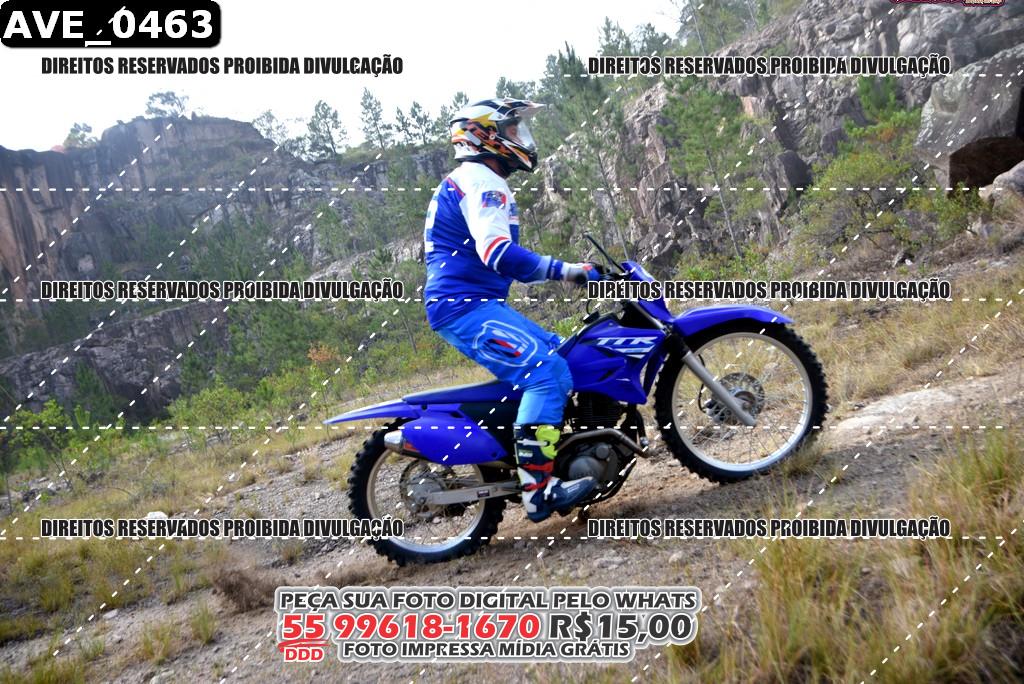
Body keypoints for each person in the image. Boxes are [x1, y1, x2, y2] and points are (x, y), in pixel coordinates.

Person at [422, 97, 601, 523]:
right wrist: (568, 271)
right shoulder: (482, 182)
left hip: (475, 304)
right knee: (547, 373)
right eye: (514, 130)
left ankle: (547, 454)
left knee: (563, 354)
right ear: (486, 136)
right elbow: (498, 253)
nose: (523, 138)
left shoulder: (475, 179)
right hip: (464, 308)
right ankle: (539, 491)